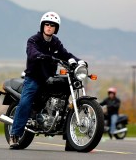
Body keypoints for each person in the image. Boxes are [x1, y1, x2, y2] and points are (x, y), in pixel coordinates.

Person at [9, 12, 87, 149]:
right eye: (47, 24)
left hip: (49, 78)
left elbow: (66, 54)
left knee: (64, 97)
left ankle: (70, 141)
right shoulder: (34, 40)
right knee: (26, 102)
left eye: (52, 25)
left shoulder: (56, 42)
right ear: (42, 26)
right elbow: (31, 52)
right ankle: (15, 134)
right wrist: (42, 56)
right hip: (33, 78)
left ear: (56, 28)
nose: (49, 27)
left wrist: (78, 61)